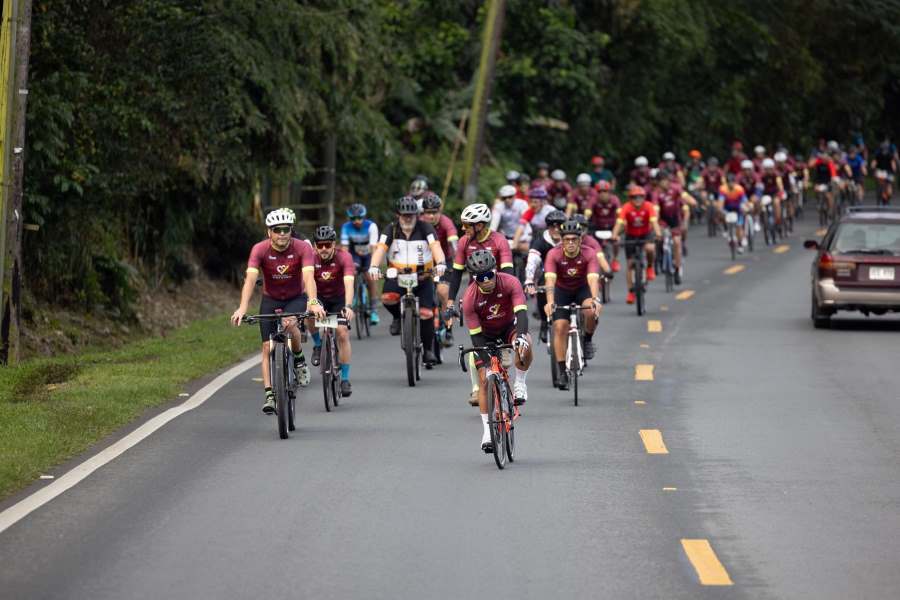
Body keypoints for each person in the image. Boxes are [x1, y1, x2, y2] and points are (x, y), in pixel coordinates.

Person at [231, 208, 326, 414]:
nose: (282, 233)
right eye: (277, 230)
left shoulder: (302, 247)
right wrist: (242, 307)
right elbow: (250, 279)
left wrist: (313, 301)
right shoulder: (259, 249)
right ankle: (270, 395)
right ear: (269, 232)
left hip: (295, 297)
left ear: (291, 230)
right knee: (267, 347)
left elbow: (309, 277)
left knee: (289, 323)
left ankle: (299, 360)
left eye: (286, 229)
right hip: (270, 299)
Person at [461, 249, 532, 454]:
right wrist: (487, 364)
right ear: (474, 279)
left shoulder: (510, 282)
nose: (487, 281)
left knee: (525, 343)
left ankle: (520, 383)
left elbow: (522, 313)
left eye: (490, 275)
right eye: (481, 278)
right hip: (485, 335)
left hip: (509, 327)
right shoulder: (469, 298)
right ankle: (487, 432)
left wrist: (520, 337)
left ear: (495, 271)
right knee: (485, 379)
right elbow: (475, 335)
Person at [447, 202, 515, 405]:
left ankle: (504, 359)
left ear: (480, 225)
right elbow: (456, 274)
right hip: (476, 297)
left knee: (502, 343)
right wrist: (450, 303)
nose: (463, 228)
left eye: (467, 225)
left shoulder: (499, 241)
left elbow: (508, 273)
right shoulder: (464, 242)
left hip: (499, 293)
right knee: (477, 342)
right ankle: (477, 389)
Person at [369, 196, 447, 366]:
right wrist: (374, 266)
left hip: (423, 277)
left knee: (426, 314)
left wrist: (441, 263)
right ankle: (398, 317)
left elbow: (436, 247)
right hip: (398, 276)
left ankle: (428, 350)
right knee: (388, 298)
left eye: (411, 215)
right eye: (404, 215)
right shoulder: (391, 229)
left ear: (416, 215)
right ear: (398, 215)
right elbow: (380, 249)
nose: (408, 218)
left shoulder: (426, 228)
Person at [543, 220, 603, 389]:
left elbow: (593, 279)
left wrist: (595, 299)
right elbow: (550, 281)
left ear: (580, 240)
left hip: (583, 289)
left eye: (574, 239)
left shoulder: (589, 253)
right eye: (567, 239)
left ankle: (587, 340)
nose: (570, 243)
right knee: (560, 326)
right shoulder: (553, 254)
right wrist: (550, 302)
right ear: (561, 240)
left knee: (590, 311)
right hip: (561, 291)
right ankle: (562, 372)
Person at [307, 226, 356, 397]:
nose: (324, 249)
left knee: (342, 332)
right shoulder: (310, 258)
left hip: (339, 299)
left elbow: (349, 283)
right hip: (319, 298)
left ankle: (345, 379)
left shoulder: (344, 257)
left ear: (334, 244)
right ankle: (318, 345)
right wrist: (312, 303)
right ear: (315, 246)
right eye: (320, 245)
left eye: (327, 245)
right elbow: (307, 282)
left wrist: (348, 306)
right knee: (308, 313)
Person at [611, 186, 662, 304]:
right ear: (630, 198)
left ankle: (650, 267)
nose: (637, 199)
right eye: (634, 197)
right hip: (631, 235)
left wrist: (658, 234)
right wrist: (614, 235)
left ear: (644, 198)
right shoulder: (626, 207)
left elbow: (654, 222)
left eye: (640, 197)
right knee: (630, 264)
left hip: (646, 234)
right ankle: (630, 292)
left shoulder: (649, 206)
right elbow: (619, 223)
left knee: (650, 248)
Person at [523, 209, 567, 344]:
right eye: (552, 226)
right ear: (548, 227)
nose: (556, 229)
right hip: (547, 273)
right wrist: (529, 280)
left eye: (559, 226)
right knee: (541, 289)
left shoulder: (569, 239)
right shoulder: (541, 241)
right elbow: (532, 261)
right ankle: (544, 321)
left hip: (568, 272)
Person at [420, 192, 459, 341]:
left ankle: (448, 327)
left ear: (440, 211)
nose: (431, 216)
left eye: (434, 212)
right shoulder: (418, 223)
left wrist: (458, 260)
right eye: (428, 212)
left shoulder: (446, 222)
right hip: (424, 262)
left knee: (442, 291)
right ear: (423, 213)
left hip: (444, 261)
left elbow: (453, 242)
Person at [340, 203, 380, 325]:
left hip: (368, 254)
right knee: (351, 274)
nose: (357, 221)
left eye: (360, 218)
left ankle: (373, 309)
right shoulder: (346, 227)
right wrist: (346, 266)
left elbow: (374, 248)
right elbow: (345, 249)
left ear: (364, 217)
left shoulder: (371, 226)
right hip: (355, 254)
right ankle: (354, 296)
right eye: (353, 218)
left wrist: (373, 266)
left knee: (370, 277)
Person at [656, 176, 696, 283]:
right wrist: (656, 224)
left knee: (677, 242)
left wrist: (692, 201)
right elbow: (655, 209)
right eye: (662, 181)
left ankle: (677, 269)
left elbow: (685, 196)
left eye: (666, 181)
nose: (664, 183)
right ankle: (659, 257)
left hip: (675, 219)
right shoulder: (657, 193)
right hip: (663, 220)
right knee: (659, 237)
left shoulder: (676, 189)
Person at [590, 180, 622, 272]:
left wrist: (619, 228)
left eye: (605, 191)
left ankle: (615, 259)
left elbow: (620, 215)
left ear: (609, 192)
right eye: (600, 191)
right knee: (591, 244)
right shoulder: (593, 200)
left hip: (612, 227)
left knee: (617, 241)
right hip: (597, 227)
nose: (602, 194)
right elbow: (587, 213)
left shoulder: (615, 200)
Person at [717, 173, 749, 251]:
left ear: (735, 182)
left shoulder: (739, 189)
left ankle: (740, 244)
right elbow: (721, 201)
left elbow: (744, 200)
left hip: (738, 208)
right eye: (729, 182)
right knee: (719, 211)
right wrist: (720, 209)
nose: (730, 184)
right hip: (727, 207)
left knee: (739, 226)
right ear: (726, 183)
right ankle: (727, 230)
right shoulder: (723, 189)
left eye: (732, 182)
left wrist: (747, 206)